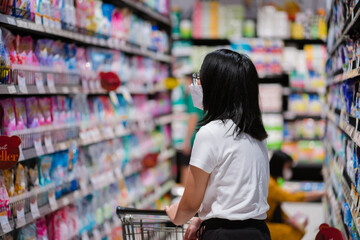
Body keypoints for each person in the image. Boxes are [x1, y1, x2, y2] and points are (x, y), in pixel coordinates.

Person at [165, 49, 271, 240]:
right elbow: (236, 192)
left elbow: (190, 203)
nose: (197, 85)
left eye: (201, 79)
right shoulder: (256, 133)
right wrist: (204, 218)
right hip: (259, 232)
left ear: (216, 87)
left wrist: (177, 215)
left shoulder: (210, 133)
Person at [267, 150, 325, 240]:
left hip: (268, 221)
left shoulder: (272, 180)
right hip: (264, 225)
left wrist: (289, 219)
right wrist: (321, 193)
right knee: (293, 232)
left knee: (299, 229)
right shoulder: (270, 185)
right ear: (279, 166)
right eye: (287, 167)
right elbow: (292, 197)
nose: (289, 170)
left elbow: (275, 207)